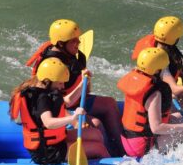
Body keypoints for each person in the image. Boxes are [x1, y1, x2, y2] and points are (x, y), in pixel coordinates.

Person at [24, 19, 125, 157]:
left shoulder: (69, 54)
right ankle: (110, 157)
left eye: (77, 39)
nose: (79, 43)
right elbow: (52, 104)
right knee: (96, 123)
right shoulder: (51, 68)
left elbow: (69, 96)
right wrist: (74, 119)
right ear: (60, 43)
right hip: (64, 110)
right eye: (74, 41)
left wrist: (85, 80)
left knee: (109, 103)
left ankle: (121, 150)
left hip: (74, 100)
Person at [9, 58, 108, 165]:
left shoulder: (46, 92)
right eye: (60, 83)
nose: (63, 86)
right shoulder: (41, 98)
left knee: (96, 134)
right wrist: (72, 118)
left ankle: (99, 160)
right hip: (47, 151)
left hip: (55, 140)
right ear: (48, 81)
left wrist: (83, 83)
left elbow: (67, 101)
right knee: (99, 148)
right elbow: (49, 123)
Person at [117, 47, 183, 158]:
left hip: (128, 140)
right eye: (164, 68)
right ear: (157, 70)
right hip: (143, 147)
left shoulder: (136, 80)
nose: (165, 71)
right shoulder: (154, 94)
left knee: (179, 116)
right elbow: (156, 128)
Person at [131, 16, 183, 126]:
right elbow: (175, 90)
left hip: (155, 99)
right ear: (174, 38)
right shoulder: (160, 61)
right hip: (158, 105)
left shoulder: (153, 52)